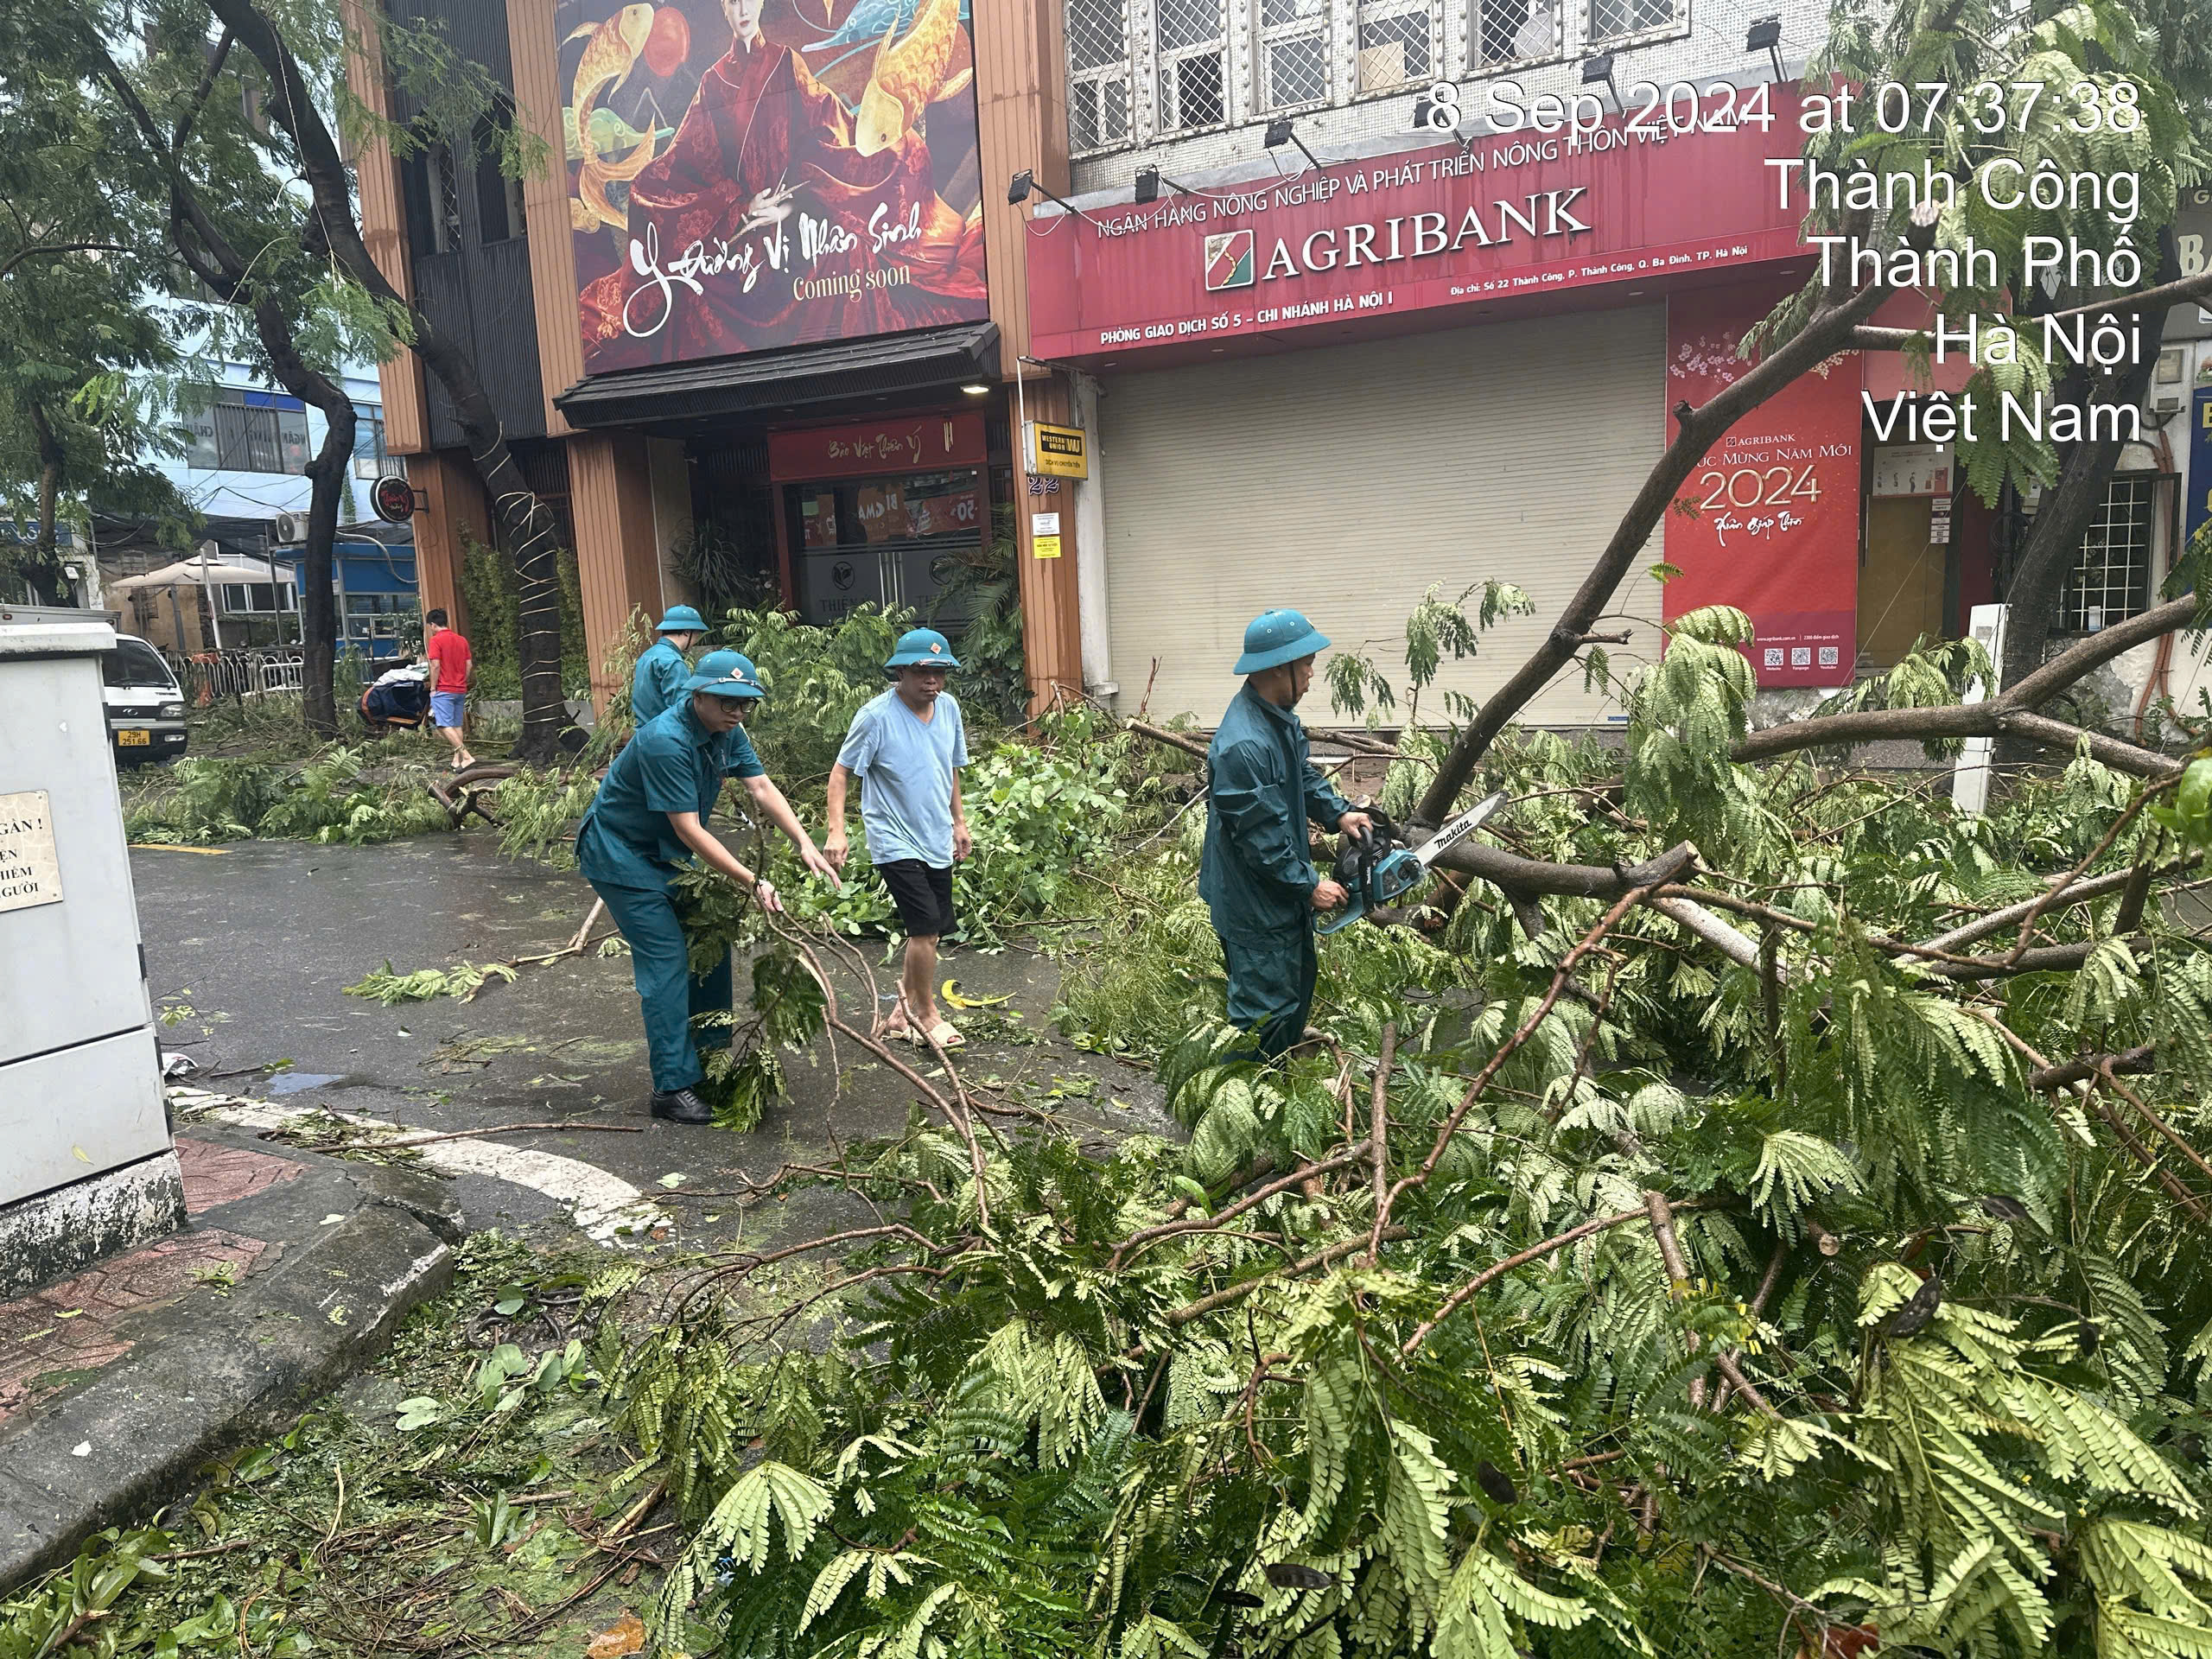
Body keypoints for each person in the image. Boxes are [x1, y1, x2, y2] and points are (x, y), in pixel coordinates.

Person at [578, 648, 839, 1124]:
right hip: (623, 856)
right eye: (727, 702)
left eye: (745, 703)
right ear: (698, 694)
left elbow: (761, 788)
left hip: (673, 857)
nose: (737, 712)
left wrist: (805, 841)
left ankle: (712, 1065)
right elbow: (691, 830)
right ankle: (672, 1087)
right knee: (667, 960)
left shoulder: (727, 730)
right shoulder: (665, 741)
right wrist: (751, 880)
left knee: (712, 948)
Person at [1200, 610, 1373, 1059]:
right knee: (1264, 1012)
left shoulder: (1278, 719)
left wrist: (1340, 814)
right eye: (1308, 663)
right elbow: (1263, 841)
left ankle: (1279, 1075)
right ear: (1281, 667)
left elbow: (1302, 775)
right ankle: (1240, 1107)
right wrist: (1309, 884)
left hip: (1276, 893)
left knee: (1294, 989)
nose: (1313, 674)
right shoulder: (1245, 745)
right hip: (1254, 901)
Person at [823, 628, 970, 1049]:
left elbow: (951, 768)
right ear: (901, 671)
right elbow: (841, 772)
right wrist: (837, 830)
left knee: (933, 932)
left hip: (936, 835)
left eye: (940, 673)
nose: (933, 682)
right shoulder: (876, 716)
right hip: (893, 837)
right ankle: (926, 1015)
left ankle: (899, 1013)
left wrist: (958, 822)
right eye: (923, 672)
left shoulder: (949, 710)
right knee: (924, 928)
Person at [631, 606, 708, 723]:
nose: (696, 641)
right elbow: (682, 709)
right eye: (697, 635)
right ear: (687, 632)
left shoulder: (647, 655)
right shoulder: (673, 662)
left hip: (643, 733)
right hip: (665, 735)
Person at [423, 608, 474, 772]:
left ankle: (466, 756)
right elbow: (469, 665)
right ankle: (456, 761)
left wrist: (432, 687)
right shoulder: (461, 640)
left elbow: (435, 665)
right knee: (456, 724)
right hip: (460, 688)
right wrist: (462, 680)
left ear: (432, 625)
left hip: (444, 689)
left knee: (443, 725)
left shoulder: (436, 641)